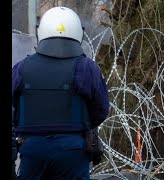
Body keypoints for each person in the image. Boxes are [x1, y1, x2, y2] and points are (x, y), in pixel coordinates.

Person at [12, 6, 109, 179]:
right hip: (73, 148)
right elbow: (101, 110)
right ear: (79, 33)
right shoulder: (87, 67)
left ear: (40, 32)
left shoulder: (22, 68)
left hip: (32, 148)